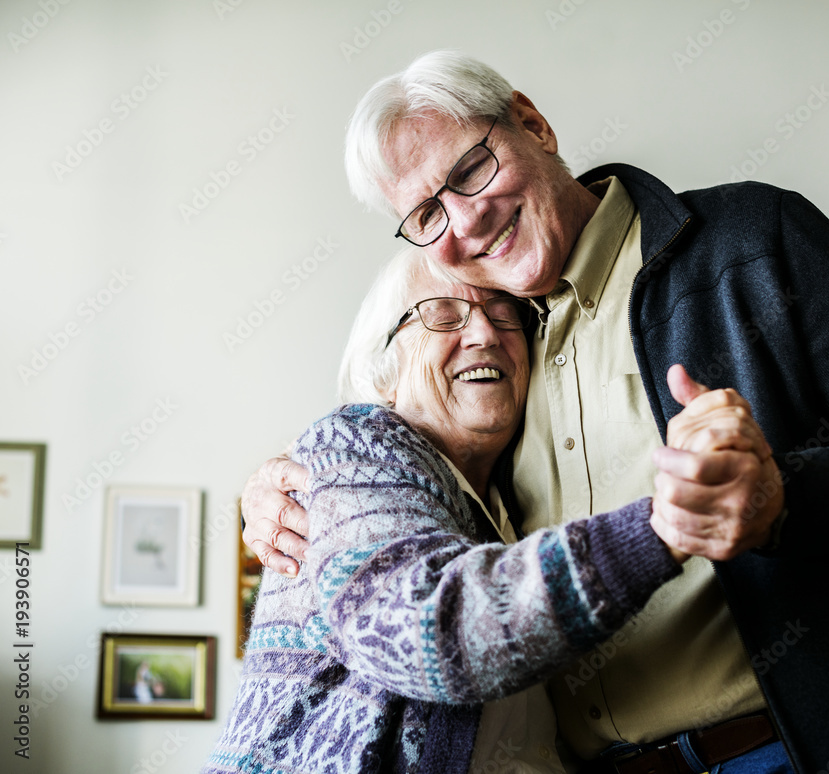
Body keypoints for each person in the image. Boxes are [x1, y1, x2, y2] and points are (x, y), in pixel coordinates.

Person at [241, 52, 829, 772]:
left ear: (532, 124)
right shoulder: (496, 360)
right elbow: (414, 526)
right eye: (427, 215)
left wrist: (781, 501)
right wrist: (287, 479)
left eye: (470, 172)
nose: (465, 223)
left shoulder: (751, 239)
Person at [208, 246, 770, 773]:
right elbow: (422, 629)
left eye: (504, 315)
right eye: (442, 315)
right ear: (383, 367)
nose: (484, 333)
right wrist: (662, 527)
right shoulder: (355, 445)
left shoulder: (506, 500)